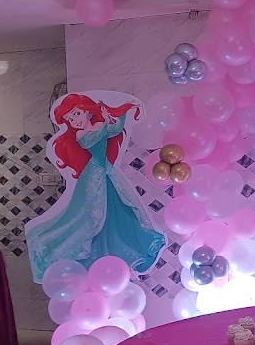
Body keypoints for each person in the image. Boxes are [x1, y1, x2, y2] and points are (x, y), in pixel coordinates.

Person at [27, 94, 165, 281]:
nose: (75, 120)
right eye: (70, 119)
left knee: (119, 211)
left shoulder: (99, 125)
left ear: (86, 111)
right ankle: (95, 257)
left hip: (108, 173)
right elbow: (95, 138)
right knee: (91, 215)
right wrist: (106, 121)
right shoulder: (80, 134)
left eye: (76, 114)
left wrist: (123, 112)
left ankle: (121, 256)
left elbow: (115, 129)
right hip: (94, 175)